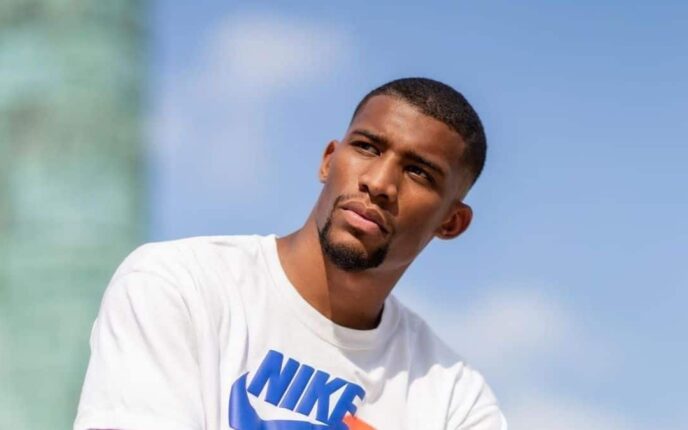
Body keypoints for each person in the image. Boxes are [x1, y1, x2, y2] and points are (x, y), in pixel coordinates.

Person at [74, 77, 507, 430]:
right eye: (367, 147)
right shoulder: (178, 285)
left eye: (418, 172)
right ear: (328, 161)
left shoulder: (455, 399)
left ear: (451, 222)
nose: (378, 183)